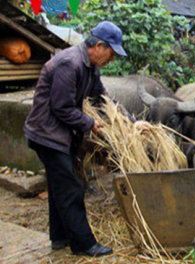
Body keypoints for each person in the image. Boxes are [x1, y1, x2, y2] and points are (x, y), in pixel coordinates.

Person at [24, 21, 147, 257]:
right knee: (71, 188)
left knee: (60, 186)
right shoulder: (69, 64)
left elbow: (104, 101)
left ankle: (60, 238)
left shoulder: (90, 68)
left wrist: (131, 122)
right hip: (46, 134)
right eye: (111, 54)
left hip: (58, 133)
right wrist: (91, 124)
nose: (111, 60)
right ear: (99, 46)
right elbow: (61, 107)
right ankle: (83, 244)